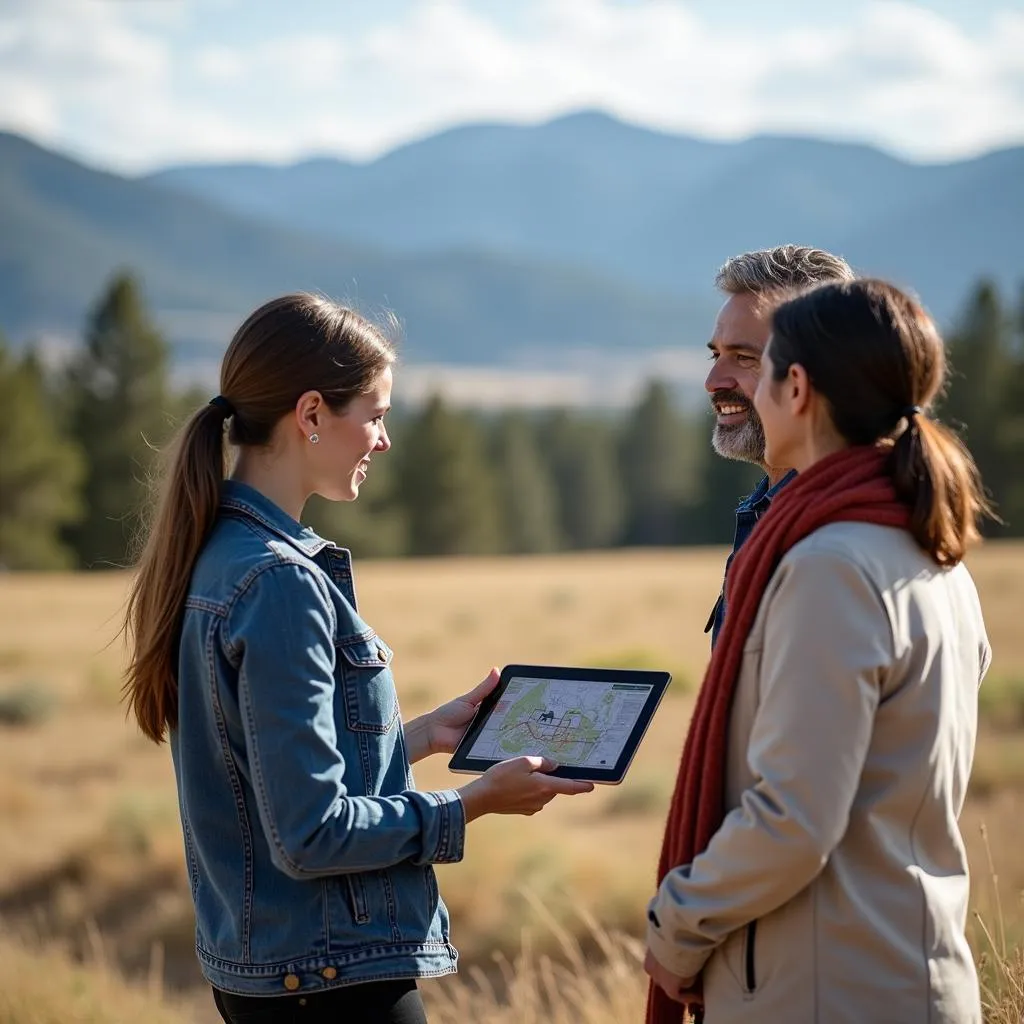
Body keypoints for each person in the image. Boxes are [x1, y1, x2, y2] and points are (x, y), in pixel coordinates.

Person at [121, 294, 594, 1024]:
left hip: (275, 976)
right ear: (310, 415)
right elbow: (311, 834)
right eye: (374, 416)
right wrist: (475, 803)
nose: (384, 440)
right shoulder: (278, 583)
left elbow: (271, 784)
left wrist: (425, 736)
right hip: (332, 982)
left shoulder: (219, 555)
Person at [644, 279, 992, 1024]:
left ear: (795, 387)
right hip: (893, 970)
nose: (731, 384)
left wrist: (676, 927)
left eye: (758, 366)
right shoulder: (928, 550)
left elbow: (793, 818)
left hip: (828, 988)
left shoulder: (830, 565)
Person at [704, 245, 854, 647]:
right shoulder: (768, 512)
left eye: (744, 357)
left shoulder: (839, 545)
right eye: (716, 355)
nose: (714, 380)